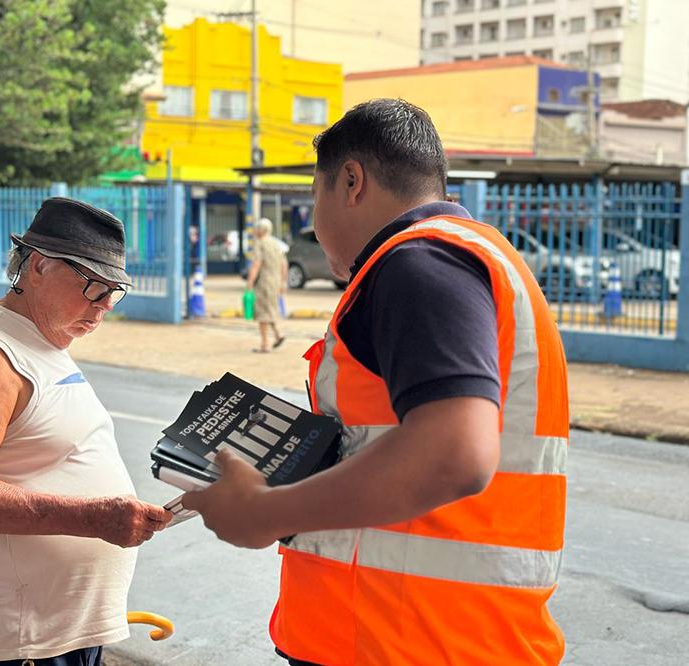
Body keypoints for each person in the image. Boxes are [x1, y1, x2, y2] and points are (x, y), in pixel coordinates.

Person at [183, 99, 569, 665]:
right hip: (439, 636)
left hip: (406, 639)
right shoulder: (477, 257)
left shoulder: (420, 263)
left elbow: (454, 454)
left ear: (351, 181)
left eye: (315, 197)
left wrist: (266, 512)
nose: (315, 224)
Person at [0, 197, 172, 665]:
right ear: (38, 266)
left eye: (113, 295)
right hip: (20, 645)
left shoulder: (42, 340)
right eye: (93, 289)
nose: (102, 309)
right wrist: (92, 519)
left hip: (62, 637)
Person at [246, 217, 287, 353]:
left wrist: (250, 281)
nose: (255, 231)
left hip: (263, 281)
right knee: (270, 309)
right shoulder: (276, 244)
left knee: (262, 312)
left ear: (261, 230)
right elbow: (284, 264)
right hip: (275, 282)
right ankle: (278, 335)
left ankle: (265, 344)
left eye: (257, 228)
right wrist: (283, 282)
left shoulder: (260, 243)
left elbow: (256, 264)